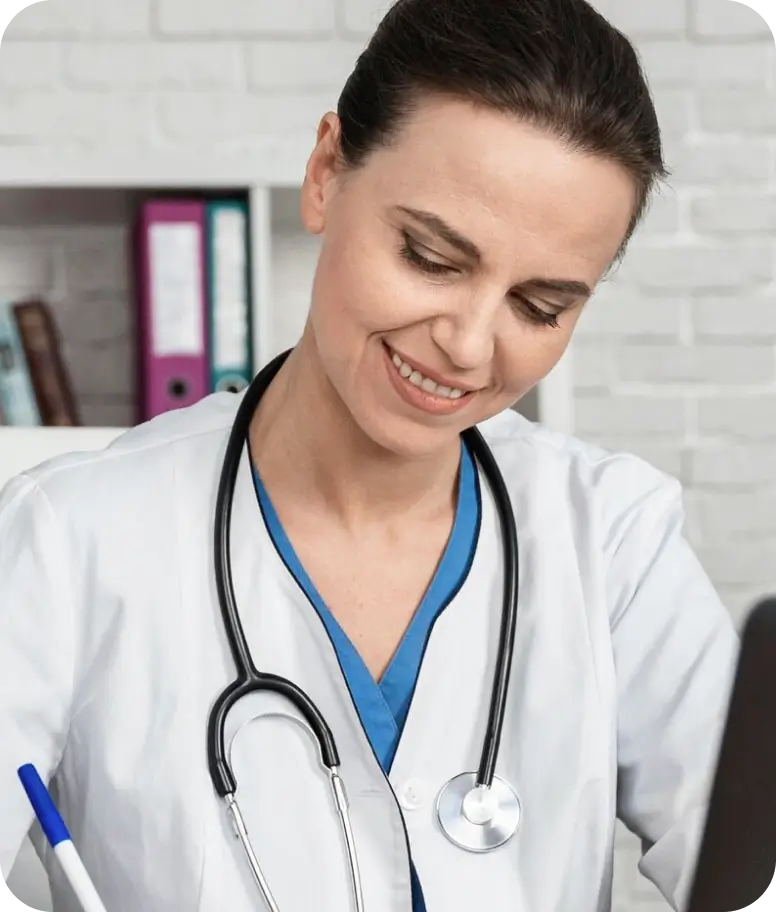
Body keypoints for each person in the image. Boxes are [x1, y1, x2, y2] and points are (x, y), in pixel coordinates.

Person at [0, 0, 738, 910]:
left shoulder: (611, 539)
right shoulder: (71, 539)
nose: (468, 344)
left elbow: (743, 843)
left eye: (541, 306)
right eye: (431, 256)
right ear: (324, 173)